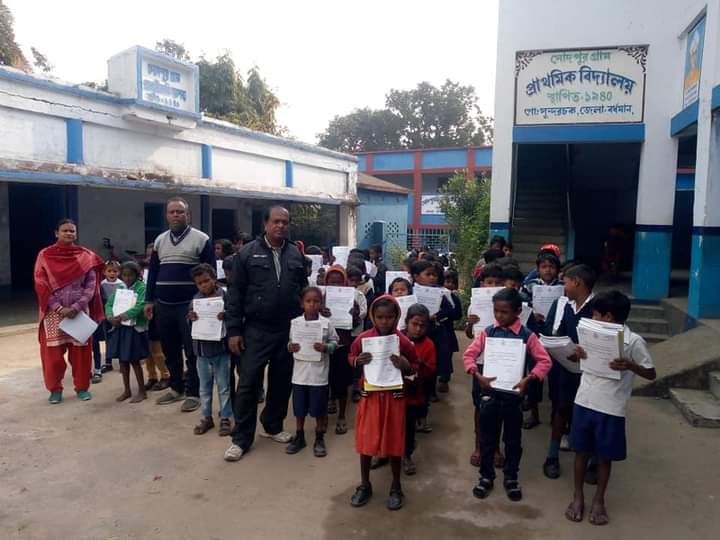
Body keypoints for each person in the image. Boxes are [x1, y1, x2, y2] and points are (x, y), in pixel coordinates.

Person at [224, 206, 308, 462]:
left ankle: (272, 426)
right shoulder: (247, 253)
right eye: (276, 221)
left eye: (285, 222)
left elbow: (303, 289)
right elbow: (235, 293)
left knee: (282, 381)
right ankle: (241, 439)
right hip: (256, 329)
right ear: (265, 224)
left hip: (287, 329)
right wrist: (234, 330)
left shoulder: (295, 253)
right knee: (248, 384)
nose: (281, 226)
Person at [565, 291, 656, 526]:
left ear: (607, 317)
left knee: (605, 456)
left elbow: (651, 373)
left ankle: (599, 500)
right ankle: (577, 496)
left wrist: (630, 366)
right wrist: (576, 355)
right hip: (585, 399)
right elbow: (576, 360)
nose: (592, 317)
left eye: (595, 314)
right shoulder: (590, 333)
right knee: (580, 451)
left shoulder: (633, 341)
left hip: (611, 405)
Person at [463, 288, 552, 501]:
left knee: (512, 441)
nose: (499, 316)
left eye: (504, 312)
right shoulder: (488, 332)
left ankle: (511, 478)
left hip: (513, 397)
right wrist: (477, 374)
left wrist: (529, 378)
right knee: (487, 439)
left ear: (518, 311)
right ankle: (486, 477)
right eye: (496, 311)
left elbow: (545, 361)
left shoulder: (527, 335)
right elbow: (469, 355)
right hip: (490, 395)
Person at [144, 197, 214, 412]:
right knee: (169, 348)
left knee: (192, 350)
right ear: (167, 215)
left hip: (189, 305)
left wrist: (206, 301)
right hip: (163, 304)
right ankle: (176, 387)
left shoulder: (201, 239)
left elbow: (210, 272)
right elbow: (153, 271)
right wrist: (149, 300)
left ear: (188, 215)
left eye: (180, 211)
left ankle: (193, 392)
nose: (175, 215)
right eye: (172, 212)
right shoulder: (159, 240)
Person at [349, 296, 418, 511]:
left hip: (394, 397)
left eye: (389, 317)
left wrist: (406, 365)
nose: (384, 321)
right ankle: (365, 484)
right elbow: (351, 355)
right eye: (379, 317)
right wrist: (356, 361)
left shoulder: (402, 341)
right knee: (366, 439)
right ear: (372, 317)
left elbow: (415, 365)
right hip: (370, 396)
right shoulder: (364, 338)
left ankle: (396, 486)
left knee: (394, 440)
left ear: (396, 317)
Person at [33, 219, 105, 403]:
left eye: (72, 231)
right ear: (56, 233)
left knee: (81, 354)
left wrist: (76, 307)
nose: (69, 233)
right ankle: (55, 390)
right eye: (65, 230)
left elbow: (91, 285)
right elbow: (41, 283)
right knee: (53, 356)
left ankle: (82, 388)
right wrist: (58, 307)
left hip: (79, 312)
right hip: (53, 313)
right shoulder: (45, 255)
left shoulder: (86, 256)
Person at [542, 264, 597, 480]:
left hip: (591, 372)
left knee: (590, 414)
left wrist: (585, 352)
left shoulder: (598, 308)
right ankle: (552, 456)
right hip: (568, 368)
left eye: (565, 282)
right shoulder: (566, 306)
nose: (563, 287)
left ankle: (593, 460)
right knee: (562, 409)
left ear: (577, 282)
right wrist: (560, 347)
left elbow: (604, 341)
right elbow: (562, 333)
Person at [286, 286, 339, 457]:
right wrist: (290, 347)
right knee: (299, 408)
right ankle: (299, 436)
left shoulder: (326, 323)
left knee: (318, 408)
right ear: (302, 304)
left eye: (316, 301)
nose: (312, 304)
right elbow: (290, 342)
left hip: (318, 375)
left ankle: (319, 436)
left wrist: (326, 347)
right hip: (300, 375)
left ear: (321, 303)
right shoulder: (295, 323)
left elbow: (335, 342)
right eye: (308, 301)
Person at [186, 263, 233, 436]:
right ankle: (206, 417)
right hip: (201, 352)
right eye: (199, 283)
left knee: (224, 386)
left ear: (214, 279)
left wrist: (226, 315)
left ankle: (225, 418)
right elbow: (188, 320)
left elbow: (235, 315)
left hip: (221, 350)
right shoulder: (195, 300)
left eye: (206, 281)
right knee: (204, 388)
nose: (204, 285)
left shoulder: (225, 296)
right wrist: (191, 317)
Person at [324, 266, 367, 434]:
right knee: (326, 379)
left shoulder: (352, 298)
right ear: (326, 282)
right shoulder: (321, 298)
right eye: (331, 282)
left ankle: (341, 415)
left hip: (343, 344)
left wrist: (353, 314)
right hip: (325, 346)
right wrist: (320, 312)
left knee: (341, 381)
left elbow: (356, 324)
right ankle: (329, 401)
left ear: (345, 282)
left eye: (339, 282)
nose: (335, 285)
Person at [105, 261, 149, 403]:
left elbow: (140, 305)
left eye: (130, 275)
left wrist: (125, 315)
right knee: (123, 360)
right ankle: (127, 390)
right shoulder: (121, 288)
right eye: (124, 275)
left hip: (134, 328)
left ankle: (142, 391)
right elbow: (109, 303)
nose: (127, 278)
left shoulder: (142, 288)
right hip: (121, 327)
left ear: (137, 275)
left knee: (134, 360)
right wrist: (110, 316)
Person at [401, 304, 436, 476]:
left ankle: (406, 455)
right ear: (406, 322)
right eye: (414, 324)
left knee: (408, 427)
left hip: (414, 394)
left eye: (422, 325)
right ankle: (385, 453)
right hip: (394, 391)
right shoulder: (397, 339)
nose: (418, 329)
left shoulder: (429, 345)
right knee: (390, 424)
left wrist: (421, 365)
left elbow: (431, 372)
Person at [93, 260, 124, 381]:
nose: (112, 273)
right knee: (107, 338)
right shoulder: (101, 284)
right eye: (109, 271)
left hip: (118, 314)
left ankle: (122, 362)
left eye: (115, 271)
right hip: (105, 314)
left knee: (119, 338)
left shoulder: (121, 285)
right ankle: (108, 362)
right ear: (104, 272)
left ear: (119, 272)